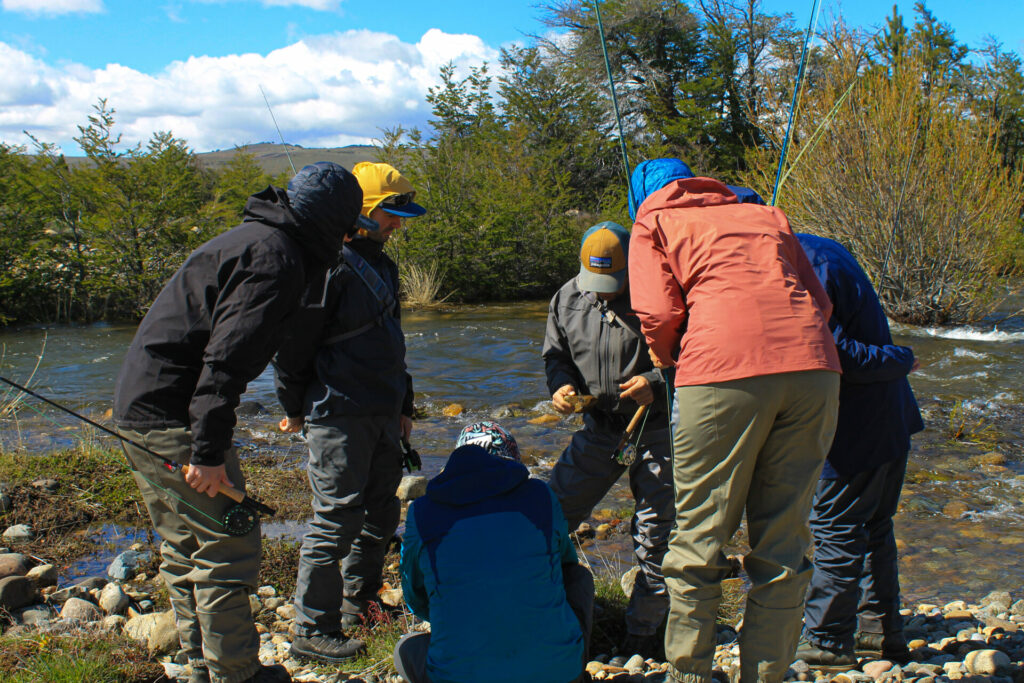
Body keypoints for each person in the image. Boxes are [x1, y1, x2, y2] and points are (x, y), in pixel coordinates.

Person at [113, 162, 364, 683]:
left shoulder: (255, 237)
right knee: (229, 544)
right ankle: (238, 674)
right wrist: (206, 454)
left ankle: (201, 665)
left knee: (185, 545)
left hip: (141, 406)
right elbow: (222, 362)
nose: (346, 239)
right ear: (325, 222)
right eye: (345, 227)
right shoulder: (277, 259)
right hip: (176, 417)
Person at [627, 158, 842, 683]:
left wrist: (667, 359)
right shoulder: (768, 215)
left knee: (700, 532)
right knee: (786, 538)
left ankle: (692, 673)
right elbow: (821, 303)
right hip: (815, 368)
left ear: (641, 197)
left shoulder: (651, 221)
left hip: (722, 370)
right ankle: (766, 675)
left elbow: (656, 313)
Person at [273, 161, 423, 663]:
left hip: (382, 412)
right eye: (392, 213)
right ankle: (312, 629)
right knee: (337, 517)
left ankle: (358, 603)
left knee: (381, 510)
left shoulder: (383, 264)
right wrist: (294, 407)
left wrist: (405, 406)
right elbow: (292, 347)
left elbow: (393, 343)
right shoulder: (327, 265)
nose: (399, 223)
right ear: (362, 211)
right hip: (336, 412)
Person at [542, 221, 674, 657]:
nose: (602, 293)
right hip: (599, 428)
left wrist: (656, 381)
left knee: (656, 530)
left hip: (656, 427)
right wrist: (560, 387)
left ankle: (644, 633)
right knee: (549, 514)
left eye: (612, 285)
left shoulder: (661, 292)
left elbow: (698, 354)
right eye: (595, 284)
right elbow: (556, 356)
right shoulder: (566, 297)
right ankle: (545, 607)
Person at [793, 234, 924, 666]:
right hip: (888, 420)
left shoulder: (805, 266)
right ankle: (880, 635)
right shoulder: (816, 250)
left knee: (835, 529)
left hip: (854, 428)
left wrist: (900, 358)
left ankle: (825, 644)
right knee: (874, 528)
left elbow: (835, 354)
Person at [396, 421, 590, 683]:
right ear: (512, 460)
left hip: (459, 675)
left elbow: (415, 597)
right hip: (558, 674)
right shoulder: (541, 496)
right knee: (580, 579)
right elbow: (567, 564)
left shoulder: (421, 512)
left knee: (404, 650)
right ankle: (569, 662)